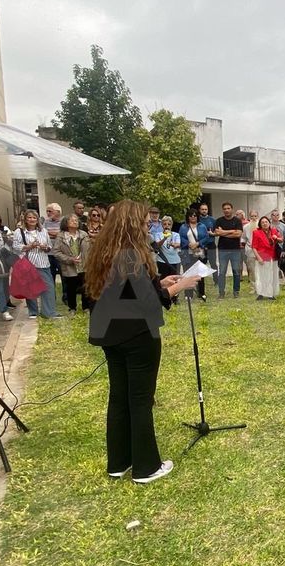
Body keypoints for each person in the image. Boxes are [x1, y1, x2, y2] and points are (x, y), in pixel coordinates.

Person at [85, 200, 199, 484]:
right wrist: (179, 286)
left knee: (119, 398)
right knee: (140, 400)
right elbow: (148, 304)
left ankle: (119, 462)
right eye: (145, 221)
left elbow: (126, 290)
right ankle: (147, 467)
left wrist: (159, 282)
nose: (149, 224)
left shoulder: (104, 250)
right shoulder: (132, 253)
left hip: (111, 334)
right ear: (132, 224)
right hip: (137, 335)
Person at [12, 209, 60, 318]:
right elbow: (15, 247)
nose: (32, 219)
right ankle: (33, 311)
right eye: (29, 217)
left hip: (43, 262)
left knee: (48, 287)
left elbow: (49, 246)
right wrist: (30, 246)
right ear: (25, 219)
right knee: (31, 288)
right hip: (29, 264)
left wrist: (45, 247)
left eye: (34, 217)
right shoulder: (19, 232)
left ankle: (49, 312)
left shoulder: (43, 231)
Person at [53, 215, 89, 315]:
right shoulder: (61, 236)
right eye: (72, 220)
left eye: (76, 220)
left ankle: (86, 307)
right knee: (71, 288)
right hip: (69, 266)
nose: (75, 222)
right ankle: (72, 308)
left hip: (84, 265)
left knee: (85, 287)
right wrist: (70, 259)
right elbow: (56, 252)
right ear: (66, 223)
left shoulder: (84, 234)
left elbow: (89, 249)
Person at [211, 202, 243, 298]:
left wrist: (223, 232)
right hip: (223, 250)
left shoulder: (237, 221)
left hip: (235, 250)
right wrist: (232, 231)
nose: (226, 210)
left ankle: (236, 291)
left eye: (228, 208)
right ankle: (221, 292)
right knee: (222, 272)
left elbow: (238, 234)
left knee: (236, 271)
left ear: (232, 209)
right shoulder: (219, 221)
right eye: (224, 208)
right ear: (223, 210)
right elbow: (217, 232)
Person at [178, 210, 210, 301]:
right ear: (188, 217)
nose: (193, 217)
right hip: (187, 253)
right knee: (188, 274)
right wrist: (188, 244)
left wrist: (198, 243)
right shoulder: (183, 227)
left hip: (199, 253)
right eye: (191, 215)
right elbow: (181, 237)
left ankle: (201, 293)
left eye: (195, 215)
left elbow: (206, 237)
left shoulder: (202, 226)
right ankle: (188, 294)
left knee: (200, 273)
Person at [251, 215, 282, 300]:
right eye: (262, 222)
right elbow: (254, 247)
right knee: (262, 276)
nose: (264, 224)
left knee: (272, 276)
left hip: (273, 257)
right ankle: (261, 293)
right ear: (260, 224)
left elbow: (281, 240)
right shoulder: (256, 232)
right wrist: (258, 257)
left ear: (269, 223)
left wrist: (277, 238)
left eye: (266, 222)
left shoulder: (274, 231)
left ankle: (271, 293)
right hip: (262, 257)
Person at [44, 202, 63, 284]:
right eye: (47, 211)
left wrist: (50, 233)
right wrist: (55, 234)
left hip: (60, 253)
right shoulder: (45, 222)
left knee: (63, 275)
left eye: (50, 211)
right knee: (51, 276)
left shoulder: (63, 222)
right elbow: (43, 233)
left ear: (57, 212)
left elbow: (61, 234)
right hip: (49, 254)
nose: (48, 213)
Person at [197, 203, 217, 271]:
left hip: (211, 244)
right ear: (199, 210)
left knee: (213, 263)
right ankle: (201, 281)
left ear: (208, 210)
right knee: (201, 263)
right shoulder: (197, 220)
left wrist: (212, 233)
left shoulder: (212, 220)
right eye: (202, 209)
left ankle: (216, 280)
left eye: (205, 209)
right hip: (200, 245)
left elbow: (217, 232)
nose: (204, 211)